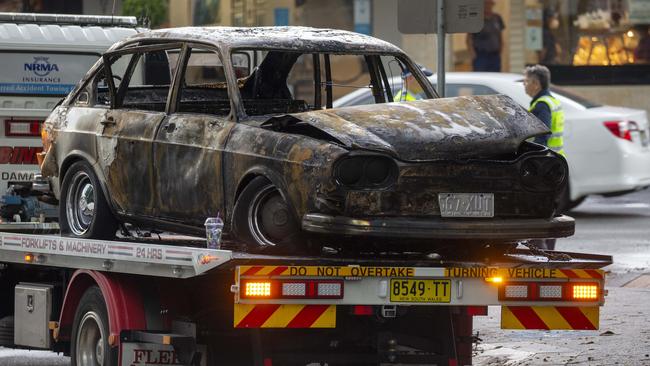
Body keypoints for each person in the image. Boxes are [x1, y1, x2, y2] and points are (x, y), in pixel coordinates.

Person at [524, 64, 565, 250]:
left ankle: (541, 252)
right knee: (549, 210)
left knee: (537, 210)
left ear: (535, 84)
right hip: (554, 164)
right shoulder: (550, 100)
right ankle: (548, 250)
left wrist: (534, 162)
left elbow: (543, 135)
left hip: (545, 166)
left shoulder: (542, 105)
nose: (524, 85)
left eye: (526, 81)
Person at [466, 0, 505, 72]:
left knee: (495, 75)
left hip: (494, 55)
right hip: (481, 55)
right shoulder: (476, 19)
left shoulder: (497, 18)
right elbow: (469, 38)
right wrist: (472, 54)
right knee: (481, 75)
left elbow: (500, 36)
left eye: (489, 4)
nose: (488, 6)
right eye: (486, 4)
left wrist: (501, 50)